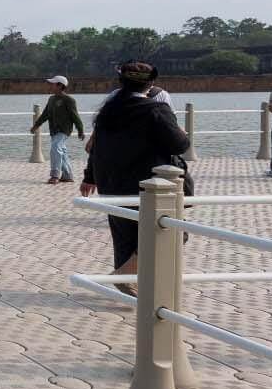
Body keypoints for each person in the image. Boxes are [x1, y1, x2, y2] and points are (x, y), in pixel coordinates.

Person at [79, 61, 190, 291]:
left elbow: (96, 146)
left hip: (110, 182)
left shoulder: (108, 110)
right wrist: (181, 133)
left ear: (121, 81)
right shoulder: (155, 110)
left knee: (124, 238)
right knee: (173, 231)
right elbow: (179, 144)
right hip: (147, 186)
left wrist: (89, 176)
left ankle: (128, 285)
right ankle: (124, 277)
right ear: (151, 83)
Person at [32, 75, 85, 185]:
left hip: (64, 130)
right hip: (54, 130)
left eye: (52, 84)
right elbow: (45, 114)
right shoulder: (51, 99)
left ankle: (55, 175)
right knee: (62, 152)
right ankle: (67, 175)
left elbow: (75, 116)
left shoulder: (69, 100)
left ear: (60, 86)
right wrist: (36, 125)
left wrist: (80, 130)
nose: (50, 86)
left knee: (55, 148)